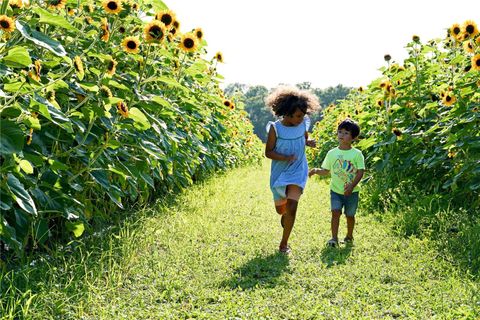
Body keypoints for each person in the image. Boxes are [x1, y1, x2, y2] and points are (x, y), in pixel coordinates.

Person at [265, 86, 320, 254]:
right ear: (287, 112)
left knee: (293, 206)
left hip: (298, 169)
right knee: (281, 209)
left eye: (303, 115)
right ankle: (284, 216)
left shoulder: (303, 124)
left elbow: (304, 139)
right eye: (297, 115)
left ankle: (284, 243)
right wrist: (285, 157)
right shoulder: (276, 129)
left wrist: (309, 142)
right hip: (280, 172)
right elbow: (268, 152)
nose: (301, 118)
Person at [308, 118, 365, 247]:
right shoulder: (332, 153)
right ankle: (334, 238)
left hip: (352, 192)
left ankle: (349, 236)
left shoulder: (357, 154)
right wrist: (316, 170)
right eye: (340, 132)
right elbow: (326, 171)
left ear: (354, 138)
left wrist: (352, 185)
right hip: (336, 190)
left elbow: (361, 172)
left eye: (346, 133)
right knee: (335, 212)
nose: (342, 135)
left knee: (350, 215)